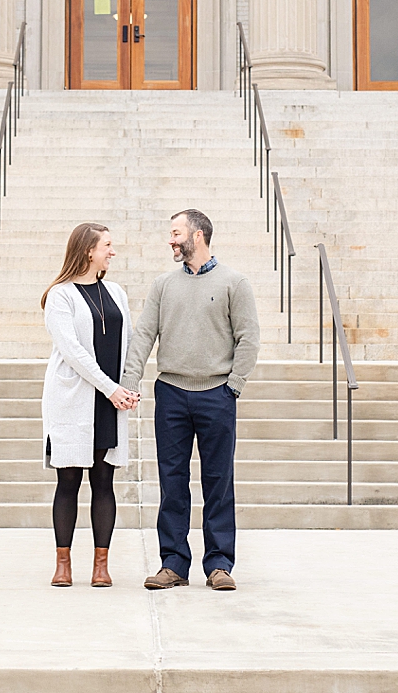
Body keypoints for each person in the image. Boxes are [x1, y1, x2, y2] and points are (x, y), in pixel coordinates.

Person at [121, 209, 259, 592]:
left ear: (197, 235)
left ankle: (218, 565)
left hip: (217, 394)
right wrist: (130, 381)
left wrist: (233, 386)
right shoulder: (164, 285)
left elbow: (248, 338)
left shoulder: (235, 282)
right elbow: (144, 335)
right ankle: (173, 564)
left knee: (218, 481)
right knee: (172, 481)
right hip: (171, 394)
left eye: (176, 232)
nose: (171, 239)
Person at [41, 223, 141, 588]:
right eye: (108, 246)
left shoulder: (116, 292)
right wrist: (111, 388)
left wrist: (127, 387)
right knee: (68, 479)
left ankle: (101, 565)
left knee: (104, 480)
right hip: (72, 399)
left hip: (109, 400)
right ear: (88, 251)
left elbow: (129, 342)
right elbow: (74, 352)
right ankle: (63, 563)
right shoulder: (60, 295)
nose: (112, 252)